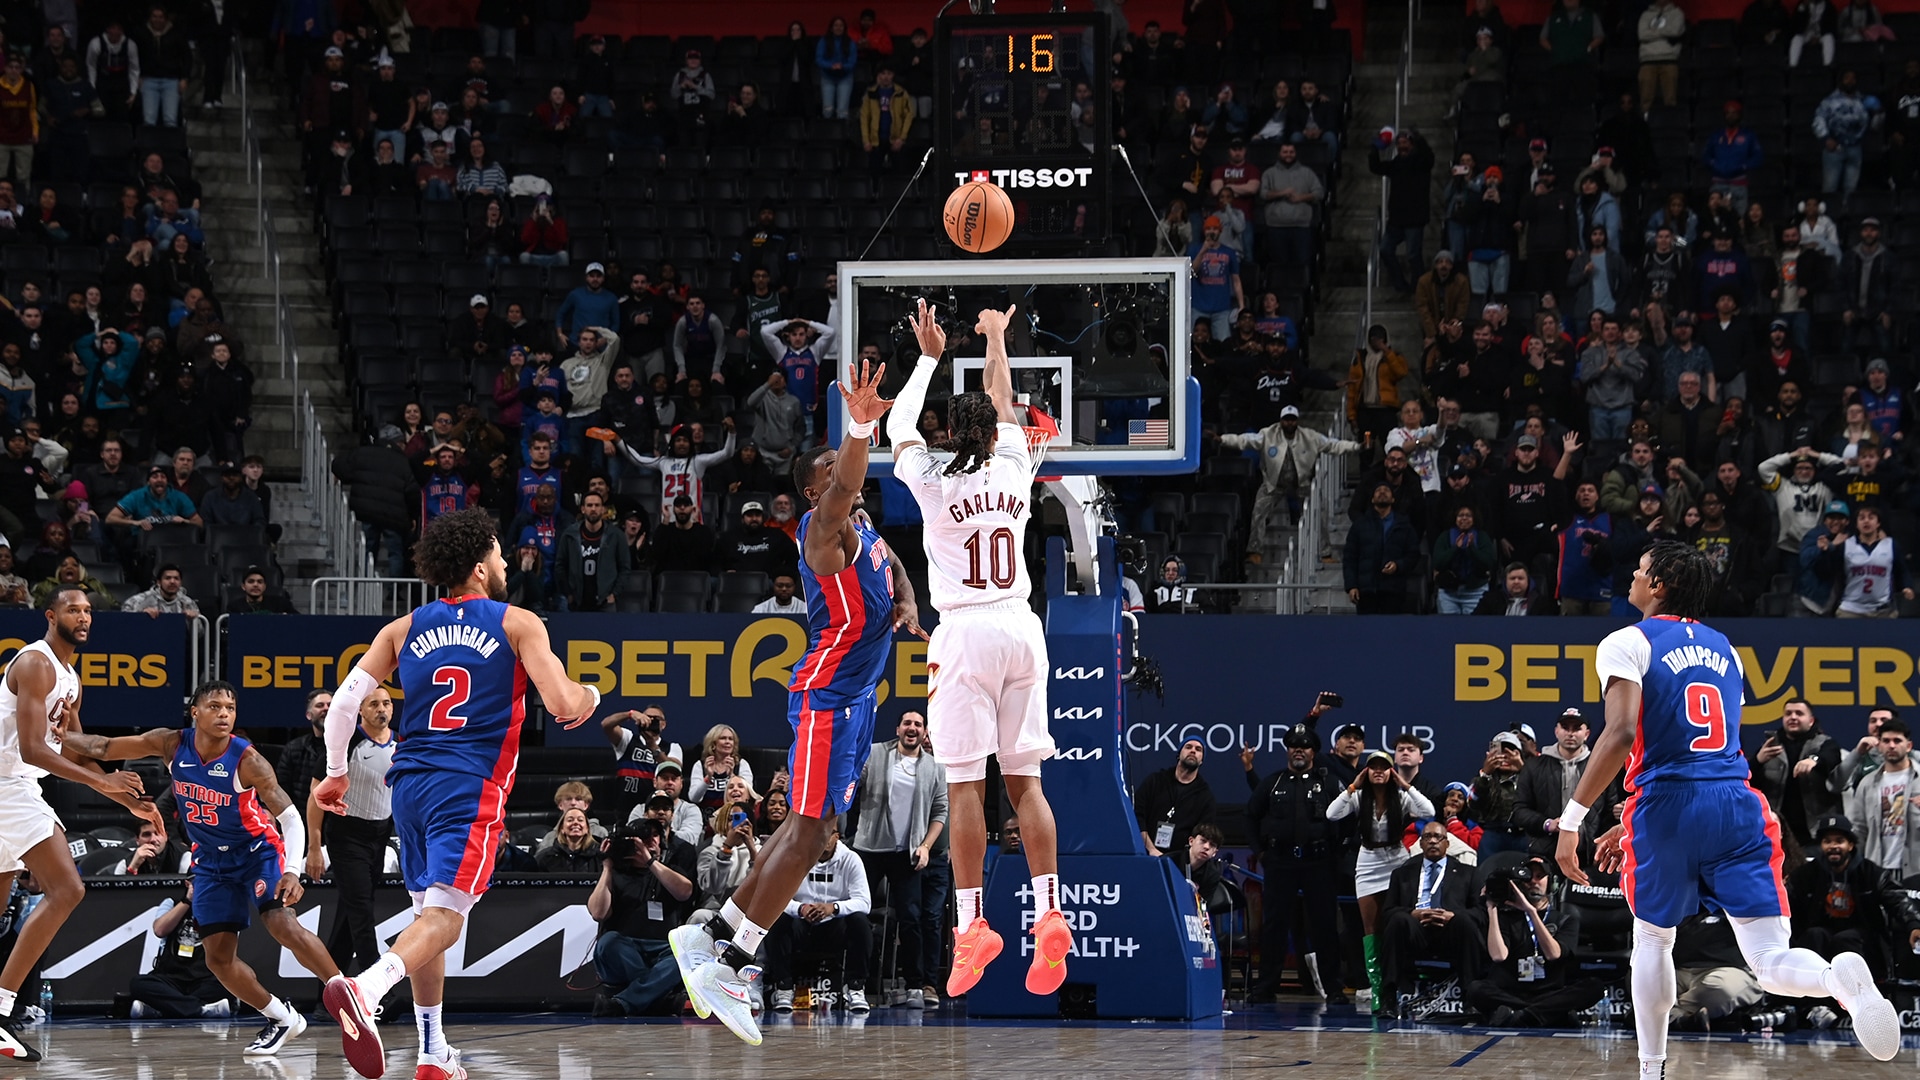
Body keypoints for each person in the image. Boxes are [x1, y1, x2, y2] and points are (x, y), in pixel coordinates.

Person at [1555, 540, 1902, 1079]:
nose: (1632, 576)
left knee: (1653, 939)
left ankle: (1652, 1070)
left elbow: (1621, 734)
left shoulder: (1625, 640)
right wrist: (1633, 820)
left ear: (1659, 585)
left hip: (1667, 806)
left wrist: (1573, 821)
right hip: (1737, 804)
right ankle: (1837, 982)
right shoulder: (1725, 649)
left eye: (1640, 570)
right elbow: (1708, 750)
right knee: (1767, 960)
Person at [666, 358, 922, 1046]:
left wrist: (905, 602)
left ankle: (714, 936)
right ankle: (732, 963)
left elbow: (894, 563)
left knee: (810, 832)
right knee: (806, 836)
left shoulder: (863, 528)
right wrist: (859, 429)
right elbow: (846, 484)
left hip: (856, 701)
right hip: (827, 698)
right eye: (835, 471)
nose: (849, 478)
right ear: (817, 489)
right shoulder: (821, 527)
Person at [314, 508, 602, 1080]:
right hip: (467, 786)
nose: (505, 562)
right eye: (498, 553)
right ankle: (367, 988)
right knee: (448, 916)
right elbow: (562, 704)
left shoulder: (402, 628)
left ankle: (433, 1052)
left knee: (428, 915)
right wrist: (590, 695)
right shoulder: (518, 622)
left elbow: (344, 704)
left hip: (408, 786)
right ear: (479, 567)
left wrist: (336, 771)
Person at [881, 300, 1071, 1002]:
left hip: (964, 630)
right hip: (1022, 625)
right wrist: (995, 337)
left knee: (964, 785)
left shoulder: (931, 480)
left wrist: (929, 356)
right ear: (995, 432)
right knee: (1027, 784)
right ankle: (1049, 910)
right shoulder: (1016, 461)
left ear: (948, 433)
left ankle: (972, 927)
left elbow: (897, 425)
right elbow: (1002, 393)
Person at [64, 682, 341, 1057]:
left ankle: (346, 993)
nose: (224, 713)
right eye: (215, 706)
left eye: (230, 707)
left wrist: (292, 869)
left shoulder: (248, 759)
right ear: (194, 711)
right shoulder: (171, 743)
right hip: (210, 861)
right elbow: (103, 747)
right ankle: (282, 1018)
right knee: (218, 960)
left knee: (281, 922)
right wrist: (58, 734)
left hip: (256, 851)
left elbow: (290, 817)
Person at [0, 587, 155, 1058]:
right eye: (73, 610)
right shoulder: (36, 663)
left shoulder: (71, 678)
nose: (83, 617)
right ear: (51, 616)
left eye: (88, 611)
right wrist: (105, 783)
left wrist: (125, 801)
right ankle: (1, 1010)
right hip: (8, 783)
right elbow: (33, 749)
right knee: (67, 889)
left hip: (15, 785)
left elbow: (79, 751)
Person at [849, 711, 947, 1009]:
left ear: (924, 732)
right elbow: (853, 782)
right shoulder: (875, 753)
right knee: (859, 914)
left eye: (918, 724)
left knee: (911, 919)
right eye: (907, 723)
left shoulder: (934, 767)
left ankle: (915, 985)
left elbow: (940, 810)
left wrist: (926, 846)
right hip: (870, 849)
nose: (912, 728)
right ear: (898, 729)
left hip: (908, 853)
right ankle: (856, 986)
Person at [1244, 721, 1346, 1003]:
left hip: (1319, 863)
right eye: (1293, 746)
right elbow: (1250, 818)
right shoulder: (1272, 782)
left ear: (1314, 752)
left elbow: (1347, 818)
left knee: (1324, 926)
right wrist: (1260, 853)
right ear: (1287, 750)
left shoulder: (1328, 783)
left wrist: (1336, 853)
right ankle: (1266, 987)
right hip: (1280, 862)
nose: (1298, 750)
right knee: (1274, 925)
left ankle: (1334, 989)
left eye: (1305, 746)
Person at [1331, 749, 1436, 1009]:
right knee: (1371, 928)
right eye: (1373, 767)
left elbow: (1429, 810)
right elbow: (1332, 814)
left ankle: (1399, 985)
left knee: (1397, 922)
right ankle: (1378, 989)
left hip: (1396, 860)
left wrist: (1405, 784)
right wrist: (1353, 785)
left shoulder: (1401, 797)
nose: (1378, 771)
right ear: (1366, 771)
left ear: (1391, 771)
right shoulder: (1359, 797)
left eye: (1384, 767)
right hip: (1368, 861)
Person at [304, 686, 396, 983]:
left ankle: (327, 991)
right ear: (361, 710)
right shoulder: (345, 743)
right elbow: (315, 795)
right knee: (361, 914)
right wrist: (314, 846)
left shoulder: (402, 744)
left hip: (380, 834)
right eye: (374, 704)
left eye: (386, 703)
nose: (381, 709)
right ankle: (378, 989)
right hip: (347, 836)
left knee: (349, 916)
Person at [588, 818, 697, 1017]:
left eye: (655, 835)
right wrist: (607, 867)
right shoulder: (615, 874)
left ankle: (623, 1003)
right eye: (644, 837)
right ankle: (658, 1000)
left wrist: (650, 861)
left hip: (663, 949)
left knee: (687, 955)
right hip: (626, 948)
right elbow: (598, 913)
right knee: (608, 942)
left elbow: (684, 892)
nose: (651, 840)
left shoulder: (670, 871)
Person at [765, 817, 873, 1012]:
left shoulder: (851, 859)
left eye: (828, 833)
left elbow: (864, 902)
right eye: (818, 832)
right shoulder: (794, 856)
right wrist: (801, 909)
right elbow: (776, 898)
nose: (822, 837)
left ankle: (855, 988)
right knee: (777, 919)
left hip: (834, 927)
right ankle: (784, 988)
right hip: (801, 925)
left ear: (836, 836)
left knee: (860, 921)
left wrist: (834, 908)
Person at [1379, 820, 1476, 1015]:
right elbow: (1387, 912)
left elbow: (1480, 912)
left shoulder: (1468, 873)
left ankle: (1471, 998)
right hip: (1415, 929)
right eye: (1427, 837)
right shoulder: (1401, 874)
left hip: (1451, 930)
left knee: (1465, 921)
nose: (1432, 841)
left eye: (1438, 837)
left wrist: (1453, 915)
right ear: (1421, 843)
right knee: (1398, 920)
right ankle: (1388, 998)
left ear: (1447, 843)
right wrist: (1412, 913)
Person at [127, 881, 231, 1019]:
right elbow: (159, 930)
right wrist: (187, 901)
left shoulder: (219, 906)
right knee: (138, 984)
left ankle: (163, 1009)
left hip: (204, 978)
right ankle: (201, 1009)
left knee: (229, 985)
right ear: (188, 883)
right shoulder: (171, 903)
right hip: (171, 978)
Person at [1134, 739, 1217, 861]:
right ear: (1179, 754)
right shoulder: (1155, 781)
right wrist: (1151, 849)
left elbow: (1203, 836)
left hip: (1180, 863)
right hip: (1144, 854)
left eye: (1198, 749)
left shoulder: (1205, 797)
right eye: (1188, 747)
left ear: (1201, 760)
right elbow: (1137, 816)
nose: (1193, 751)